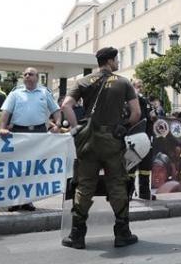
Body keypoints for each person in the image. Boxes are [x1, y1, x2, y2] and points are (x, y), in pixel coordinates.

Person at [61, 47, 141, 249]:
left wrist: (76, 127)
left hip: (88, 139)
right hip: (112, 139)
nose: (118, 63)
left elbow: (66, 105)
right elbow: (136, 113)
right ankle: (122, 233)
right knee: (117, 184)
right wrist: (123, 127)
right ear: (110, 61)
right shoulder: (123, 82)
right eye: (116, 60)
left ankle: (77, 235)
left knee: (84, 185)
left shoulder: (83, 81)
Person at [0, 66, 60, 211]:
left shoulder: (45, 93)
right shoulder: (15, 93)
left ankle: (28, 200)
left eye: (31, 74)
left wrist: (57, 124)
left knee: (33, 168)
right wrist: (2, 127)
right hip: (19, 132)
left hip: (39, 133)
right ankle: (14, 200)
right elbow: (6, 112)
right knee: (16, 168)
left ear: (37, 78)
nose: (27, 76)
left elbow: (56, 110)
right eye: (25, 74)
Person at [128, 79, 155, 200]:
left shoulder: (144, 101)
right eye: (138, 86)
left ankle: (144, 193)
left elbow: (151, 117)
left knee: (146, 166)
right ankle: (128, 192)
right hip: (133, 138)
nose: (141, 88)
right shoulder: (128, 100)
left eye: (141, 86)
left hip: (146, 138)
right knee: (131, 167)